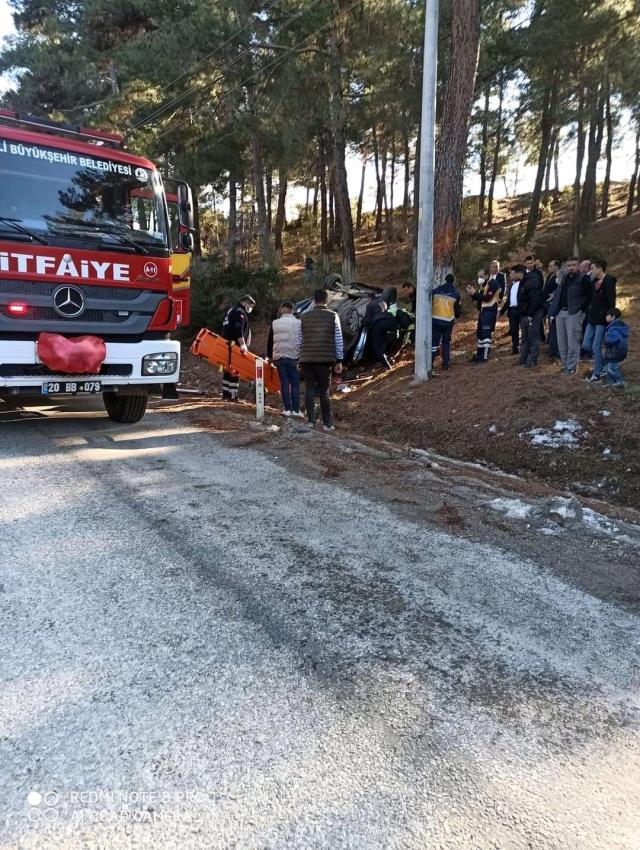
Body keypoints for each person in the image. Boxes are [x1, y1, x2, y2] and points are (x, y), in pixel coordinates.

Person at [297, 289, 344, 431]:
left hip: (307, 359)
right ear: (326, 300)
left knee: (309, 389)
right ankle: (326, 423)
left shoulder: (304, 317)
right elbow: (338, 339)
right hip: (325, 359)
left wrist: (299, 359)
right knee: (324, 391)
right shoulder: (333, 316)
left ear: (314, 300)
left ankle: (310, 421)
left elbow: (299, 340)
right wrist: (339, 359)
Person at [548, 257, 593, 374]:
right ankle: (565, 365)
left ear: (578, 266)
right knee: (561, 341)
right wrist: (553, 311)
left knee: (573, 341)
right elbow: (558, 294)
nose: (571, 268)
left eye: (573, 265)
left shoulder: (584, 278)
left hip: (574, 312)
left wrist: (581, 310)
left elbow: (590, 296)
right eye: (569, 265)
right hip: (560, 312)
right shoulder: (565, 278)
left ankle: (572, 367)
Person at [583, 259, 617, 383]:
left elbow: (612, 301)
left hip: (602, 319)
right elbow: (590, 298)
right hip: (592, 317)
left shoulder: (609, 281)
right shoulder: (594, 282)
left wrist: (611, 315)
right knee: (586, 344)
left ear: (600, 268)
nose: (591, 271)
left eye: (593, 268)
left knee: (596, 346)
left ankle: (597, 374)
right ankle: (602, 365)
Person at [270, 301, 303, 417]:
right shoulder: (298, 323)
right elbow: (301, 341)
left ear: (282, 310)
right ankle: (296, 410)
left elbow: (270, 341)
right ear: (293, 310)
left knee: (284, 383)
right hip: (294, 358)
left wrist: (270, 357)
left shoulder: (275, 323)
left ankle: (287, 409)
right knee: (295, 384)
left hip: (280, 358)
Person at [221, 294, 255, 400]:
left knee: (228, 370)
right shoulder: (239, 312)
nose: (251, 308)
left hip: (227, 344)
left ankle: (226, 394)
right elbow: (238, 329)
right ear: (245, 302)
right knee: (236, 370)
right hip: (235, 345)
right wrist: (243, 344)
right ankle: (233, 395)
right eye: (250, 305)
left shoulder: (231, 310)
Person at [513, 263, 544, 367]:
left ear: (518, 273)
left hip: (533, 313)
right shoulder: (523, 281)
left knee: (533, 337)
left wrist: (531, 314)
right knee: (525, 338)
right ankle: (523, 359)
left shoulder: (531, 280)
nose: (511, 276)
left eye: (513, 274)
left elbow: (535, 299)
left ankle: (532, 360)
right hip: (525, 313)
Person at [467, 268, 500, 362]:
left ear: (486, 275)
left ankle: (484, 356)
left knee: (486, 334)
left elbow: (487, 298)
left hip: (490, 311)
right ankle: (479, 355)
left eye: (481, 276)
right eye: (478, 277)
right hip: (483, 311)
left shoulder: (493, 283)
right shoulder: (483, 285)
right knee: (480, 334)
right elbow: (479, 298)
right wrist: (472, 293)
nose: (479, 279)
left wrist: (475, 293)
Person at [431, 273, 462, 370]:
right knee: (445, 342)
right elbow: (457, 312)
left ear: (445, 280)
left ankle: (429, 363)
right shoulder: (456, 294)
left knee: (434, 342)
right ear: (453, 281)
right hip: (448, 322)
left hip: (436, 320)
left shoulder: (435, 291)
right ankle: (446, 364)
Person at [603, 308, 629, 387]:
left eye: (607, 315)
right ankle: (610, 383)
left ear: (613, 317)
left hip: (615, 351)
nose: (606, 317)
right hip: (613, 351)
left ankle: (619, 381)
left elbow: (613, 339)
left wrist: (606, 339)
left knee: (612, 368)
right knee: (608, 367)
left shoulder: (615, 328)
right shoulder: (614, 327)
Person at [500, 266, 521, 354]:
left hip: (521, 309)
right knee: (514, 329)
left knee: (524, 329)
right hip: (512, 310)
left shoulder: (522, 283)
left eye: (512, 273)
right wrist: (502, 311)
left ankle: (525, 347)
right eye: (510, 274)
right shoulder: (511, 285)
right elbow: (508, 300)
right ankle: (515, 347)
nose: (510, 275)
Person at [543, 260, 561, 358]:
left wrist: (553, 295)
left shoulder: (559, 277)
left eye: (551, 266)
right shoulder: (550, 276)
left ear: (556, 267)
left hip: (554, 304)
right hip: (547, 303)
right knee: (550, 326)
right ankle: (552, 348)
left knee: (554, 327)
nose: (549, 268)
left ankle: (555, 350)